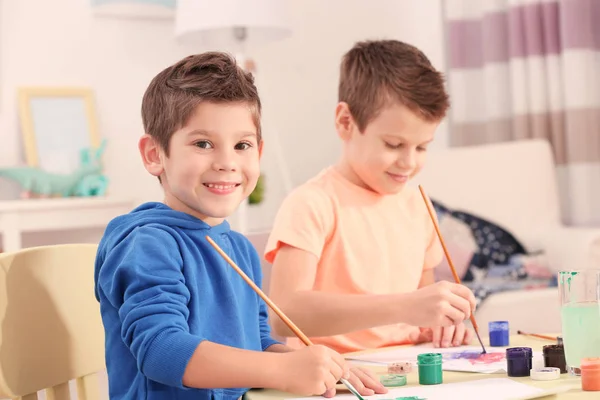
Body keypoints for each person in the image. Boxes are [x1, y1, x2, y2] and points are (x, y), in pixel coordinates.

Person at [94, 52, 386, 400]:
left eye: (242, 145)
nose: (227, 163)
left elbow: (256, 343)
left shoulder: (240, 249)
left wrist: (315, 364)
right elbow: (161, 350)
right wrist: (282, 371)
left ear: (258, 153)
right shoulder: (146, 244)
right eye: (203, 143)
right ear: (154, 155)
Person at [265, 39, 478, 355]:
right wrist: (405, 306)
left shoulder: (418, 207)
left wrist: (441, 321)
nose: (409, 163)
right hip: (338, 377)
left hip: (409, 368)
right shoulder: (312, 204)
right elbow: (285, 314)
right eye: (394, 145)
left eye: (422, 147)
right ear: (345, 122)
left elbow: (422, 311)